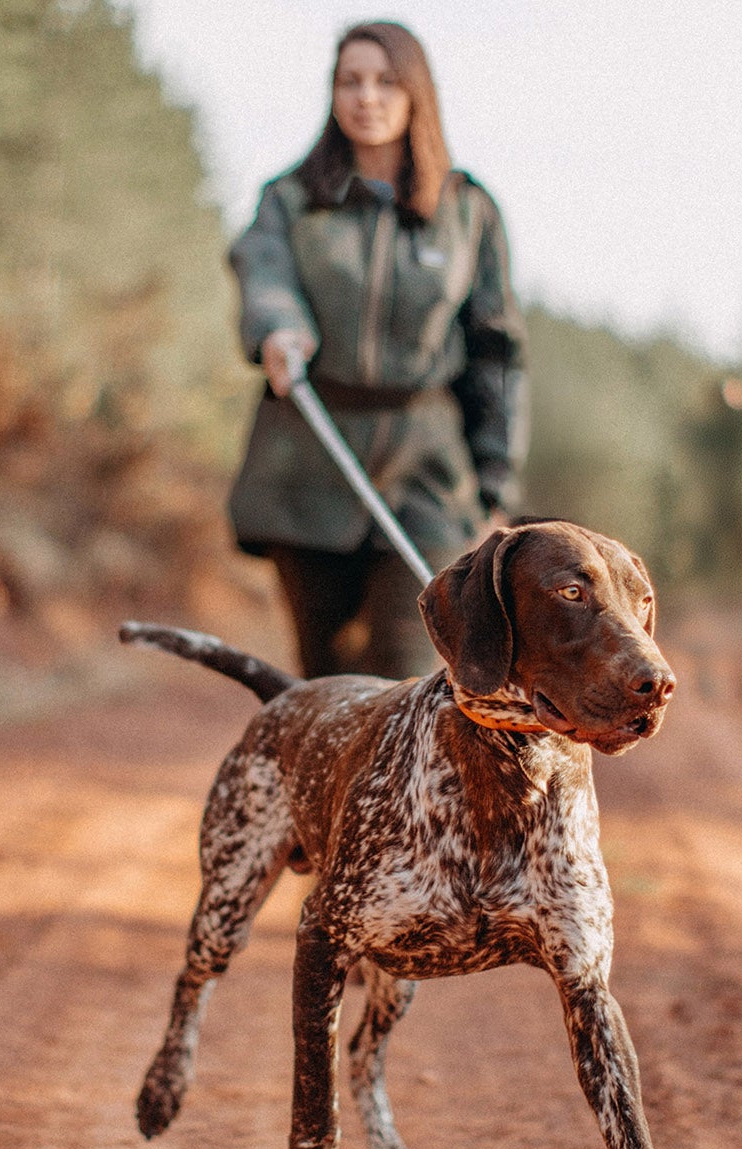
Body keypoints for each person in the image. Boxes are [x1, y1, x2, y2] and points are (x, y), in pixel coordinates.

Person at [226, 20, 527, 680]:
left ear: (417, 92)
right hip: (310, 459)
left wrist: (494, 485)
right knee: (326, 685)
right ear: (333, 95)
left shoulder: (467, 209)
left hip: (429, 478)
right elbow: (262, 269)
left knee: (407, 681)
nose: (368, 97)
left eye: (387, 81)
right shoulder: (292, 200)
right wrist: (278, 326)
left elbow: (496, 354)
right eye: (350, 81)